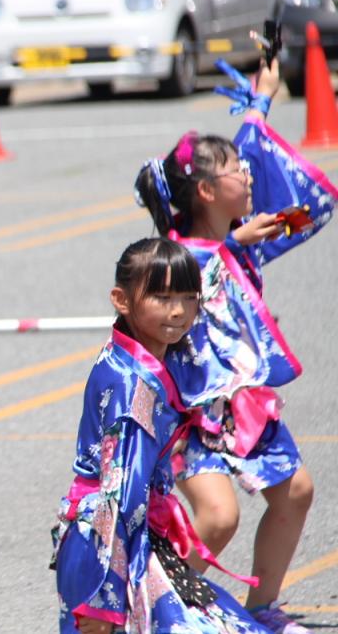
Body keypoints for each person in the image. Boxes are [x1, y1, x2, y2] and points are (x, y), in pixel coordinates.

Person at [133, 56, 337, 632]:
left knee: (295, 492)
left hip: (244, 408)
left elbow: (308, 212)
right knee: (217, 518)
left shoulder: (240, 244)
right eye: (234, 172)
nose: (247, 175)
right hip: (194, 416)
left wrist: (260, 103)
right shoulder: (177, 259)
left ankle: (262, 608)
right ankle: (146, 607)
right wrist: (231, 246)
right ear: (204, 190)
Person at [52, 237, 269, 633]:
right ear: (121, 300)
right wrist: (104, 602)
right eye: (163, 297)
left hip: (132, 538)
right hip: (107, 549)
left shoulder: (147, 357)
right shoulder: (132, 386)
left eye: (189, 297)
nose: (179, 311)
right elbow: (121, 498)